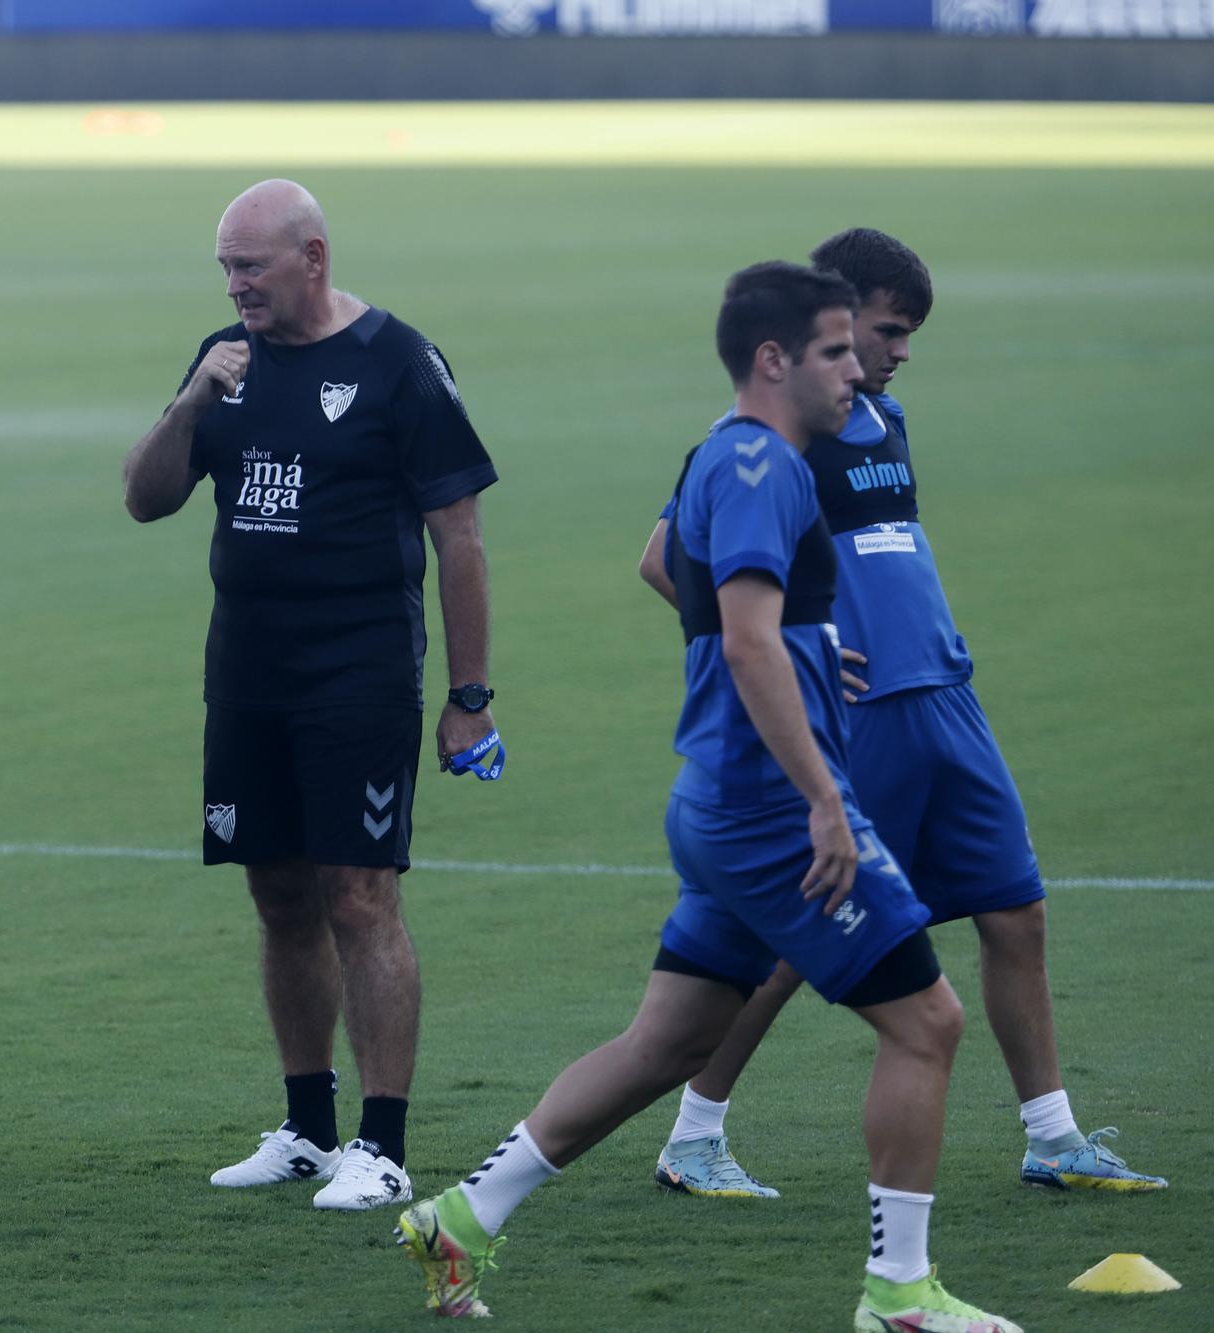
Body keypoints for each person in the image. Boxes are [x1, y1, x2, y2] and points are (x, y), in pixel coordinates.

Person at [399, 262, 1021, 1332]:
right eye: (833, 350)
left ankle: (460, 1213)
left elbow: (739, 618)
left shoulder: (742, 460)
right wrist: (824, 798)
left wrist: (810, 653)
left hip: (724, 805)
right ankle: (899, 1296)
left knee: (667, 1045)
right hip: (767, 811)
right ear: (772, 360)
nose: (852, 370)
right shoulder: (757, 465)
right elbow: (738, 634)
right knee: (924, 1021)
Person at [636, 229, 1164, 1199]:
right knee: (803, 937)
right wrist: (794, 659)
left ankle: (1050, 1137)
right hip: (858, 714)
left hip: (944, 700)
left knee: (1015, 911)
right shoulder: (763, 442)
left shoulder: (887, 421)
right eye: (884, 330)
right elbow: (665, 561)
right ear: (829, 321)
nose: (896, 349)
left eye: (905, 332)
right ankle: (692, 1135)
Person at [122, 179, 501, 1211]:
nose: (236, 285)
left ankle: (378, 1146)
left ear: (312, 258)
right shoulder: (224, 362)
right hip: (246, 674)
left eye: (251, 266)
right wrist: (193, 396)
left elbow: (457, 537)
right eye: (224, 268)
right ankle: (304, 1126)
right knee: (277, 894)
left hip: (359, 673)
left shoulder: (397, 363)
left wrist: (468, 693)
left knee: (358, 896)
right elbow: (143, 498)